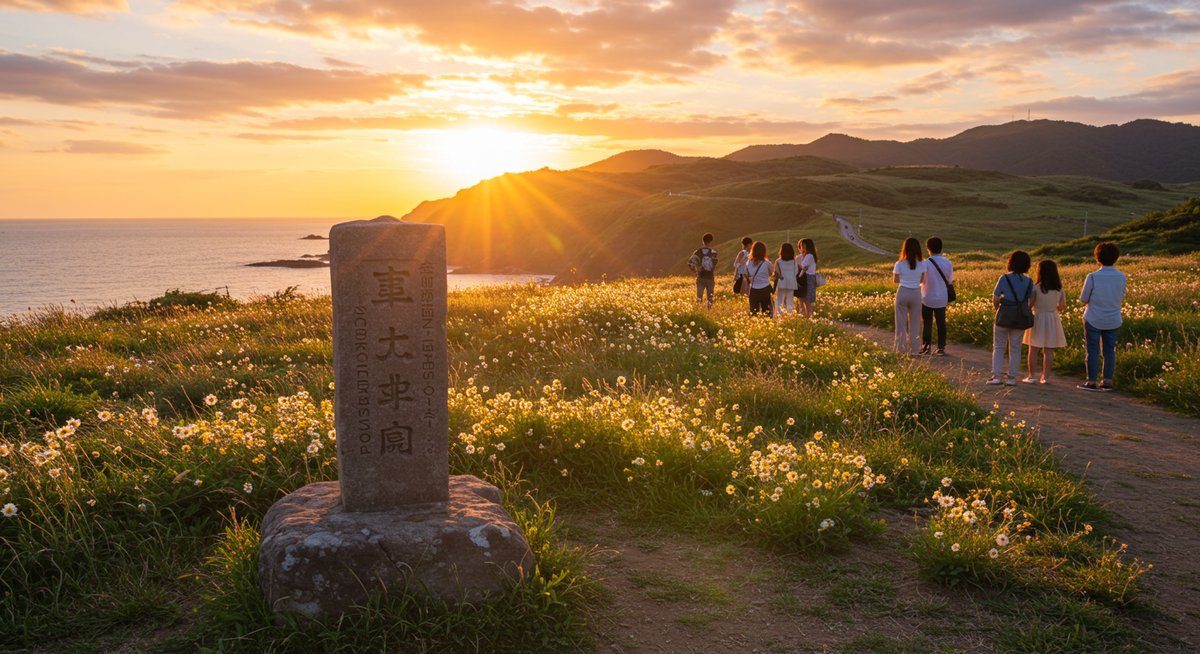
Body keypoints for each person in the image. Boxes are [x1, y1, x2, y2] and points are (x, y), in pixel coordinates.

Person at [1078, 242, 1126, 391]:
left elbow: (1084, 299)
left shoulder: (1092, 277)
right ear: (1116, 258)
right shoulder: (1121, 276)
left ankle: (1091, 382)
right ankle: (1107, 381)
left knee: (1092, 350)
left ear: (1097, 257)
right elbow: (1121, 295)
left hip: (1093, 318)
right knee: (1109, 350)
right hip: (1113, 319)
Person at [989, 250, 1033, 386]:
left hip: (1004, 315)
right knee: (1015, 348)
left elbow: (996, 298)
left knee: (999, 347)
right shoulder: (1029, 281)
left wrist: (999, 310)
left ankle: (996, 376)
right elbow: (1030, 301)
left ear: (1010, 263)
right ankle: (1011, 378)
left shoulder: (1004, 278)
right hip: (1020, 317)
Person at [1023, 259, 1067, 384]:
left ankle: (1031, 376)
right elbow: (1062, 307)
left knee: (1034, 349)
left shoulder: (1036, 287)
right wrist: (1053, 308)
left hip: (1038, 318)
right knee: (1049, 350)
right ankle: (1045, 377)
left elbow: (1030, 305)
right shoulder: (1059, 289)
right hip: (1053, 319)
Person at [892, 237, 926, 355]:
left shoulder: (899, 264)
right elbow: (922, 279)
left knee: (900, 322)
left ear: (904, 249)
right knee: (915, 322)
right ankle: (914, 351)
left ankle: (900, 349)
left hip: (903, 292)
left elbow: (895, 280)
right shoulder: (922, 263)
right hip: (916, 293)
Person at [920, 236, 953, 356]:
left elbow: (921, 280)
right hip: (942, 297)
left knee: (927, 322)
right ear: (941, 248)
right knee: (941, 323)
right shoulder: (948, 263)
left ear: (928, 248)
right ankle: (941, 348)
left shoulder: (925, 263)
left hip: (927, 296)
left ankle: (926, 347)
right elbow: (950, 281)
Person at [688, 232, 718, 309]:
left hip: (700, 278)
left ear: (702, 241)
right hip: (710, 278)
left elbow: (690, 264)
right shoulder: (713, 253)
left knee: (699, 298)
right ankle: (709, 313)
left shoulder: (697, 252)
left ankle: (698, 312)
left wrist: (696, 269)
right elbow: (714, 265)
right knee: (710, 298)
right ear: (711, 241)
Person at [745, 241, 773, 317]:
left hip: (753, 289)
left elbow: (747, 274)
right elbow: (771, 273)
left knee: (753, 312)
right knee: (767, 312)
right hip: (765, 288)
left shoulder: (748, 263)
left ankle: (754, 327)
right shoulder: (767, 263)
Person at [773, 242, 798, 315]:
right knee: (790, 299)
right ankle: (790, 314)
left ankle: (778, 314)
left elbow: (776, 272)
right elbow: (796, 272)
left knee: (779, 300)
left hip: (782, 281)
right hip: (791, 282)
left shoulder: (778, 261)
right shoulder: (794, 262)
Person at [796, 238, 818, 318]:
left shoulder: (808, 256)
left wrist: (796, 265)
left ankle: (806, 320)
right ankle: (807, 319)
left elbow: (802, 266)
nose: (801, 248)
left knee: (804, 302)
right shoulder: (811, 255)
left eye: (802, 246)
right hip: (809, 279)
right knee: (806, 302)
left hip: (805, 280)